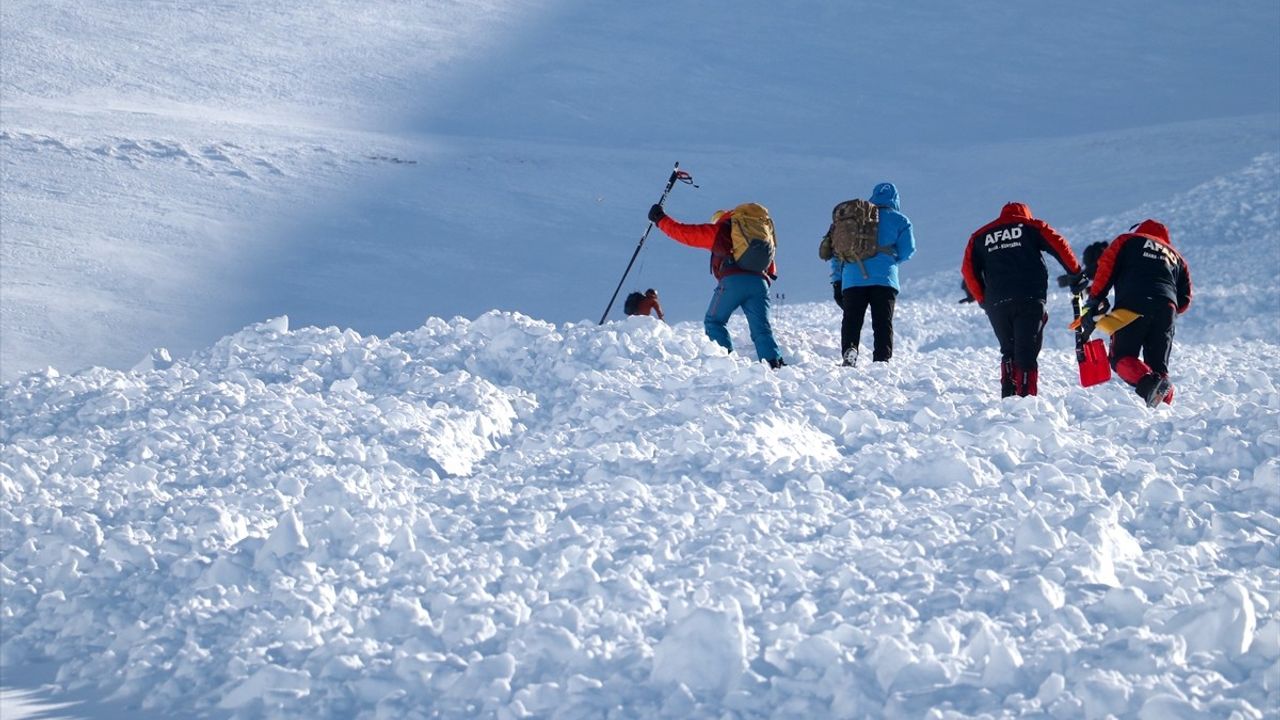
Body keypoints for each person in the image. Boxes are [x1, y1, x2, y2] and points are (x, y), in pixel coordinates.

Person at [962, 202, 1083, 398]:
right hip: (1029, 297)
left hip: (997, 303)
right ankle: (1026, 398)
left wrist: (982, 299)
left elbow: (968, 270)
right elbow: (1059, 244)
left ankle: (1008, 395)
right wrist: (1076, 273)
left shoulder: (980, 236)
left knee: (1008, 350)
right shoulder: (1031, 227)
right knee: (1026, 350)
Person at [648, 202, 785, 368]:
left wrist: (660, 219)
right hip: (760, 283)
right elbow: (770, 267)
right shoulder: (755, 233)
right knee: (762, 329)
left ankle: (724, 364)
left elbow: (685, 233)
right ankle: (775, 364)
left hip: (733, 282)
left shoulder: (722, 230)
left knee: (714, 322)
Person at [1082, 219, 1191, 407]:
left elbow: (1106, 268)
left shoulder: (1128, 240)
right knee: (1158, 367)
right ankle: (1165, 404)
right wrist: (1165, 308)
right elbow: (1185, 299)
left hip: (1133, 303)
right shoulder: (1177, 257)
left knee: (1121, 357)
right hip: (1167, 308)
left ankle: (1149, 388)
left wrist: (1095, 300)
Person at [829, 182, 916, 365]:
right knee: (882, 322)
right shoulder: (900, 220)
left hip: (852, 279)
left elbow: (836, 252)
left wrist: (837, 280)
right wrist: (891, 261)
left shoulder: (854, 218)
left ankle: (850, 350)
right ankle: (882, 359)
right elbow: (908, 250)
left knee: (852, 320)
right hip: (884, 280)